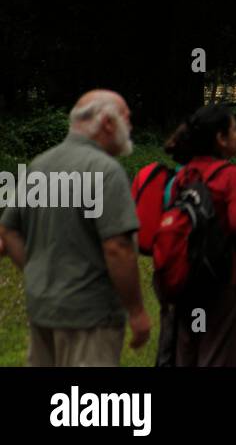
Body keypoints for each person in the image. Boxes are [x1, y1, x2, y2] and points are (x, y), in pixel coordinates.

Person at [0, 90, 151, 366]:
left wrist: (35, 272)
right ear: (107, 123)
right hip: (90, 318)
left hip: (43, 311)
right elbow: (117, 247)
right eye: (127, 119)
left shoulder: (39, 166)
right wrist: (137, 311)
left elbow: (8, 230)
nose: (130, 127)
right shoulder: (106, 171)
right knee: (85, 408)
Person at [165, 106, 236, 367]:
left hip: (186, 281)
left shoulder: (183, 175)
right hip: (224, 281)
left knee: (187, 354)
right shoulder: (232, 175)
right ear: (220, 138)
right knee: (218, 355)